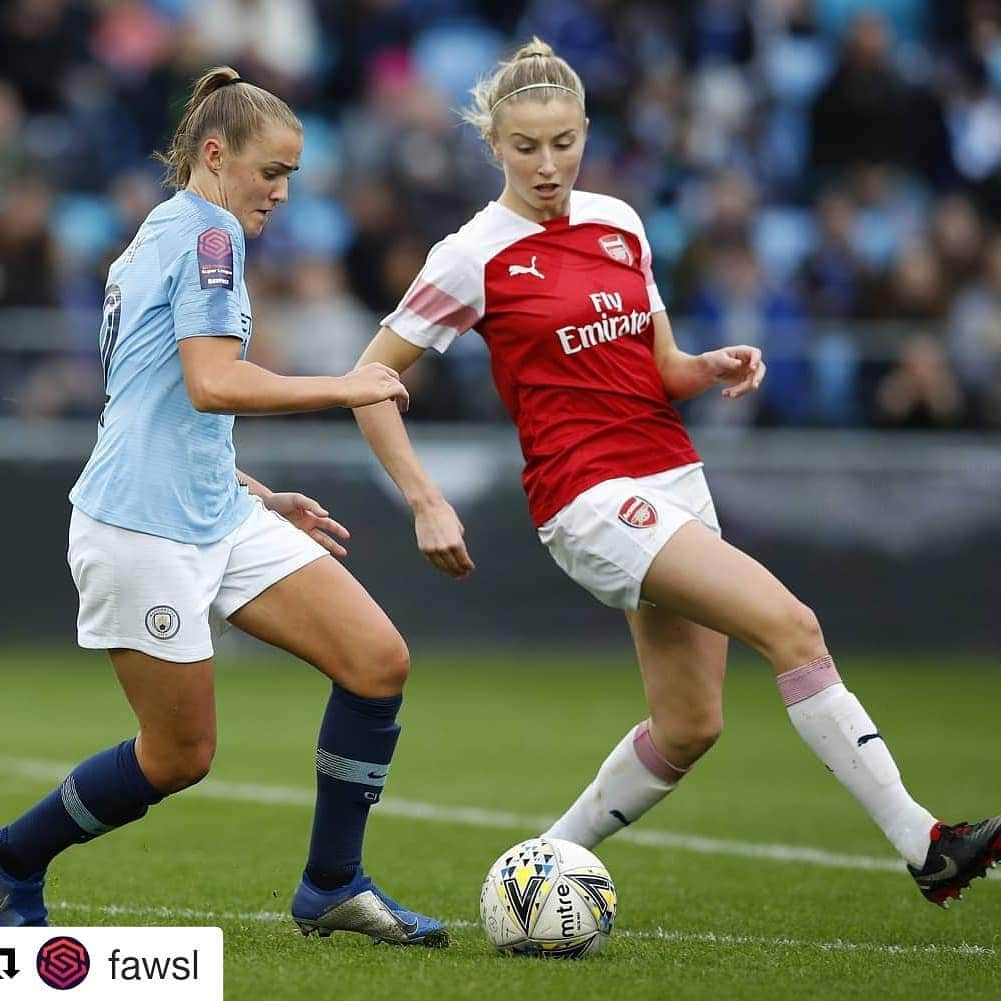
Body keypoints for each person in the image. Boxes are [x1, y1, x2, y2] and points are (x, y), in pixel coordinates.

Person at [352, 39, 1000, 908]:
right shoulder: (471, 255)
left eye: (564, 142)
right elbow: (369, 381)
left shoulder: (620, 221)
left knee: (690, 726)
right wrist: (425, 499)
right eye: (525, 147)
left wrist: (707, 366)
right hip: (586, 495)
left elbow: (657, 364)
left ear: (585, 132)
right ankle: (925, 843)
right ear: (493, 146)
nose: (548, 165)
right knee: (793, 627)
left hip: (671, 475)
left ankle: (539, 865)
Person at [0, 67, 448, 947]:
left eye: (291, 175)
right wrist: (346, 383)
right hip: (140, 526)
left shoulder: (163, 233)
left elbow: (152, 398)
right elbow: (209, 384)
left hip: (213, 505)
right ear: (215, 154)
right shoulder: (205, 238)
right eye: (271, 172)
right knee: (177, 757)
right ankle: (13, 857)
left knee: (375, 659)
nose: (282, 193)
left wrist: (252, 488)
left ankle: (332, 884)